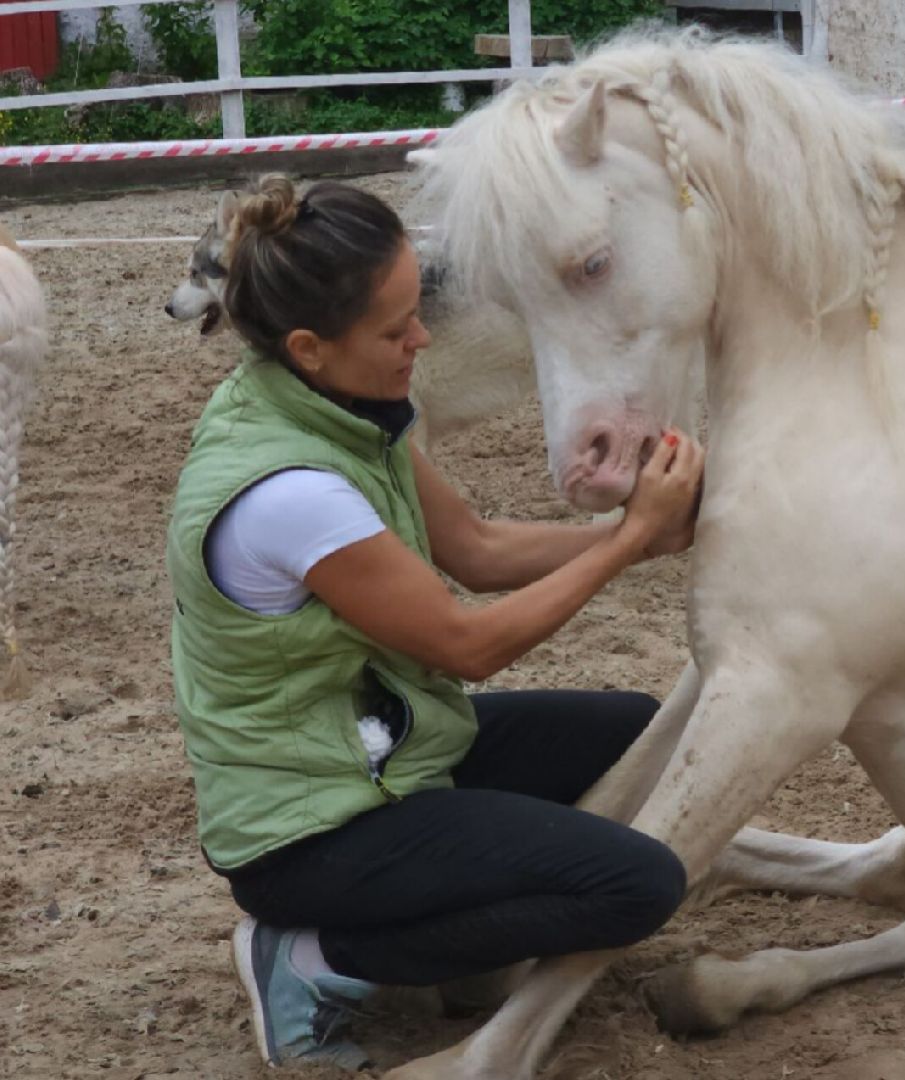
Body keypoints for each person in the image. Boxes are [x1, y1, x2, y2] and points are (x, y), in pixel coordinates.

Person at [165, 175, 703, 1070]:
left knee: (633, 735)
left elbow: (477, 549)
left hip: (372, 750)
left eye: (416, 313)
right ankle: (316, 956)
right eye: (395, 330)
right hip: (308, 830)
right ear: (309, 347)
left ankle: (447, 935)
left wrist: (645, 536)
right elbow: (469, 643)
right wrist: (627, 542)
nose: (421, 338)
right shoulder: (292, 494)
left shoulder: (330, 408)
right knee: (638, 885)